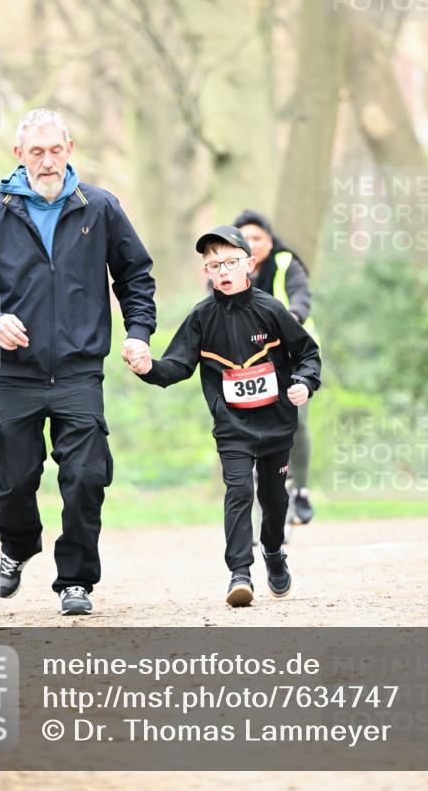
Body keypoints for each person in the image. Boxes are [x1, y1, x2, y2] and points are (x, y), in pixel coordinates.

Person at [0, 108, 155, 616]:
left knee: (86, 476)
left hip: (80, 370)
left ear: (69, 149)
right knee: (11, 480)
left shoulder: (99, 208)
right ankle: (16, 547)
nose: (46, 160)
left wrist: (139, 333)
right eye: (35, 151)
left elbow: (136, 275)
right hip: (13, 373)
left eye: (55, 149)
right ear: (19, 155)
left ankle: (76, 581)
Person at [127, 225, 321, 607]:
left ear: (248, 264)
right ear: (206, 272)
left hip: (277, 423)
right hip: (232, 425)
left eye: (231, 262)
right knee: (238, 491)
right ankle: (240, 573)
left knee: (273, 498)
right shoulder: (201, 317)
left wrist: (304, 383)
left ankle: (273, 552)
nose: (223, 271)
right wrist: (148, 367)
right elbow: (176, 368)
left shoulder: (271, 309)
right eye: (214, 265)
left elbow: (308, 354)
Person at [233, 210, 317, 534]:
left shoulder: (286, 264)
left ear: (270, 241)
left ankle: (302, 489)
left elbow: (301, 296)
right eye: (246, 239)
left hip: (293, 357)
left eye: (258, 238)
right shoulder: (228, 268)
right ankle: (254, 507)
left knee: (299, 422)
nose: (252, 244)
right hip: (247, 364)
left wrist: (292, 317)